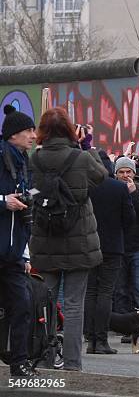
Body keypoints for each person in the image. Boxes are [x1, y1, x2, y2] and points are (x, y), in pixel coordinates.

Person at [29, 107, 107, 372]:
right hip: (79, 240)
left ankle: (46, 359)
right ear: (69, 129)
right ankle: (73, 363)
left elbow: (31, 192)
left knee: (46, 304)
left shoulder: (35, 159)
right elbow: (102, 176)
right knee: (74, 305)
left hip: (45, 238)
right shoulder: (80, 158)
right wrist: (88, 146)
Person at [0, 105, 37, 377]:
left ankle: (19, 362)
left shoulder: (24, 163)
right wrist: (3, 202)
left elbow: (23, 211)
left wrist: (24, 254)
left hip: (12, 253)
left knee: (23, 306)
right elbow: (9, 203)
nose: (33, 136)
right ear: (13, 135)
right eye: (28, 130)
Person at [86, 151, 136, 354]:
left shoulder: (86, 188)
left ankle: (90, 339)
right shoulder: (118, 188)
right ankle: (101, 339)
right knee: (106, 292)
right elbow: (130, 219)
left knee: (90, 292)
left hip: (89, 245)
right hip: (113, 246)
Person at [112, 156, 139, 342]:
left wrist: (134, 194)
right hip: (119, 246)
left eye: (128, 172)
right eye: (121, 172)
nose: (125, 175)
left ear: (134, 174)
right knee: (120, 289)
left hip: (138, 246)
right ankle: (124, 326)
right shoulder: (113, 191)